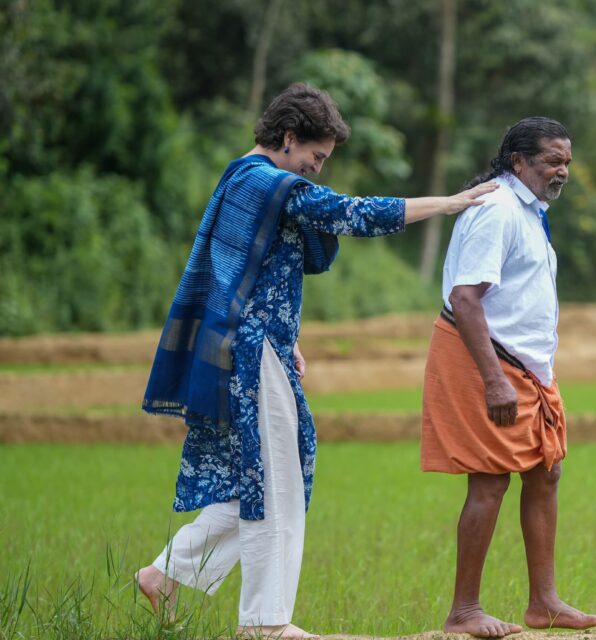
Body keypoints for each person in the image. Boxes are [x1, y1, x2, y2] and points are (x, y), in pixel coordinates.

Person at [134, 83, 497, 640]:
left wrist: (288, 335)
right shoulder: (265, 182)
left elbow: (256, 274)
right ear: (287, 138)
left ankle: (168, 573)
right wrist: (448, 204)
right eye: (316, 156)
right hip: (250, 352)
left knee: (259, 482)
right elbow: (353, 214)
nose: (317, 169)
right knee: (274, 485)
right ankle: (265, 621)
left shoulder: (242, 179)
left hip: (259, 344)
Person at [420, 117, 596, 638]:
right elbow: (465, 297)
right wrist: (494, 380)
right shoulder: (497, 209)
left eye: (566, 161)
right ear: (517, 161)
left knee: (546, 471)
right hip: (488, 361)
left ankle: (543, 602)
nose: (562, 170)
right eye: (552, 160)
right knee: (490, 480)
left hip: (527, 365)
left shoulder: (530, 210)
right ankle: (463, 612)